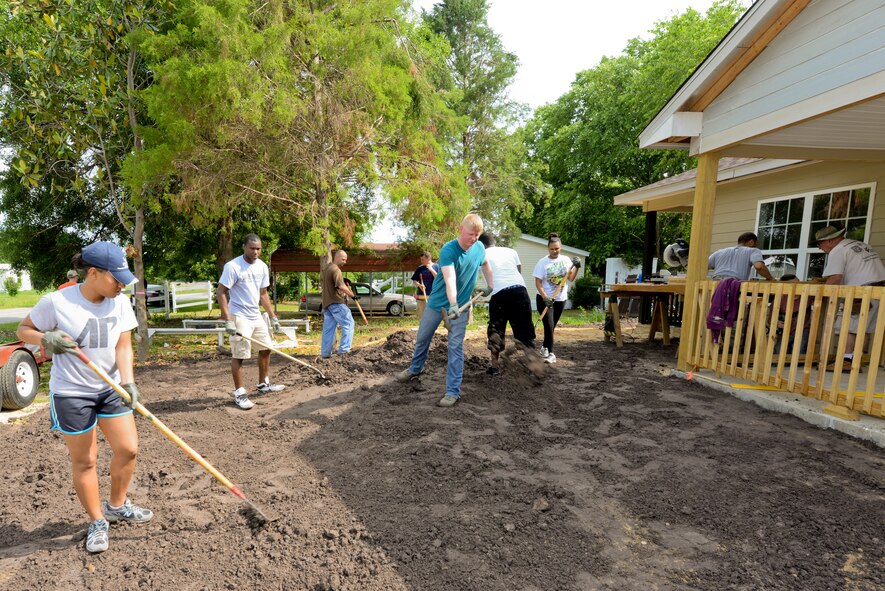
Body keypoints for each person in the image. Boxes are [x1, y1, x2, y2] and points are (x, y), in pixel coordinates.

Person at [17, 241, 152, 554]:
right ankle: (97, 520)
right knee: (85, 460)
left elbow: (123, 346)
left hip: (111, 388)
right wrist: (45, 337)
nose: (121, 284)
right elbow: (25, 329)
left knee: (128, 449)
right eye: (116, 278)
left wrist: (128, 383)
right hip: (72, 392)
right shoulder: (57, 302)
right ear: (93, 273)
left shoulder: (119, 301)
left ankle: (117, 505)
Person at [395, 213, 494, 407]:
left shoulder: (479, 247)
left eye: (477, 235)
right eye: (470, 234)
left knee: (455, 347)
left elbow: (486, 264)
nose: (473, 239)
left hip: (462, 307)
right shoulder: (449, 250)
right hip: (438, 304)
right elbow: (450, 280)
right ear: (460, 229)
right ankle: (415, 368)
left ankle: (452, 391)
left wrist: (490, 284)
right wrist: (453, 304)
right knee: (423, 337)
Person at [217, 234, 285, 410]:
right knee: (240, 354)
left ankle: (263, 384)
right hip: (239, 315)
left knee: (266, 348)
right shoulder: (233, 267)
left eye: (258, 249)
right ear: (244, 247)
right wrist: (228, 319)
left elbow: (263, 293)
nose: (256, 252)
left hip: (255, 315)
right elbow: (221, 292)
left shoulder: (262, 267)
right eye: (252, 248)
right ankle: (239, 393)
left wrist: (272, 316)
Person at [816, 225, 885, 371]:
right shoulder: (861, 245)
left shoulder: (838, 250)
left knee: (847, 327)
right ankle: (855, 360)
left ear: (829, 241)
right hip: (878, 292)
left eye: (819, 243)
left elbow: (835, 277)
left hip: (859, 294)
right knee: (863, 329)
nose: (819, 248)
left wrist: (820, 296)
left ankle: (845, 361)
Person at [477, 233, 536, 376]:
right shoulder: (511, 251)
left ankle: (495, 367)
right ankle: (533, 369)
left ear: (481, 244)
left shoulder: (481, 254)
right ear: (493, 242)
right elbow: (518, 272)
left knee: (496, 331)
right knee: (524, 332)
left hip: (499, 294)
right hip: (520, 292)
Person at [533, 233, 580, 364]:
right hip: (545, 299)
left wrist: (577, 268)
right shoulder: (542, 262)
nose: (554, 251)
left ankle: (544, 347)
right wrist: (545, 297)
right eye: (552, 249)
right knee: (548, 325)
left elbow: (571, 278)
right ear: (548, 248)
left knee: (551, 327)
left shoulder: (565, 260)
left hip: (560, 299)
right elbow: (538, 283)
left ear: (561, 247)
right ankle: (551, 354)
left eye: (557, 248)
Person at [320, 250, 357, 358]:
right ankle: (344, 351)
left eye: (346, 260)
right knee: (349, 324)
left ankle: (325, 354)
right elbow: (341, 286)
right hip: (336, 302)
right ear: (336, 257)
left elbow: (334, 284)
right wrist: (352, 295)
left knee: (328, 329)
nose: (345, 262)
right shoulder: (336, 269)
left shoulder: (327, 269)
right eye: (343, 259)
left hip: (327, 304)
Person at [708, 232, 774, 281]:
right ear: (751, 242)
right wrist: (770, 278)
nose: (755, 246)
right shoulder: (753, 251)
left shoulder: (719, 252)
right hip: (734, 286)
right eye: (755, 244)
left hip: (715, 284)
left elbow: (703, 266)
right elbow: (759, 267)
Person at [410, 251, 439, 319]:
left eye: (423, 259)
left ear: (428, 258)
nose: (421, 261)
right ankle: (423, 328)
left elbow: (439, 279)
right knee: (422, 315)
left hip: (433, 295)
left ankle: (431, 329)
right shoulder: (420, 268)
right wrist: (419, 285)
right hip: (421, 295)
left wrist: (431, 269)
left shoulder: (437, 267)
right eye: (421, 259)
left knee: (432, 316)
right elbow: (414, 281)